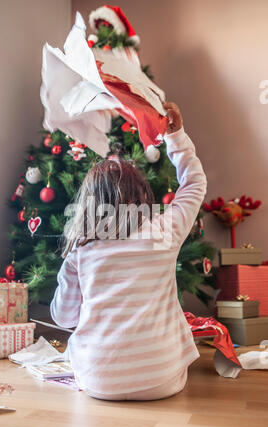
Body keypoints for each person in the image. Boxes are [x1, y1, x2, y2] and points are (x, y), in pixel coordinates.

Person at [50, 102, 207, 401]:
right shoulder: (164, 231)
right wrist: (176, 137)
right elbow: (195, 183)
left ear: (88, 203)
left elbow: (63, 317)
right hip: (163, 379)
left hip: (99, 382)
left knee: (77, 344)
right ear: (142, 196)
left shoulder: (82, 250)